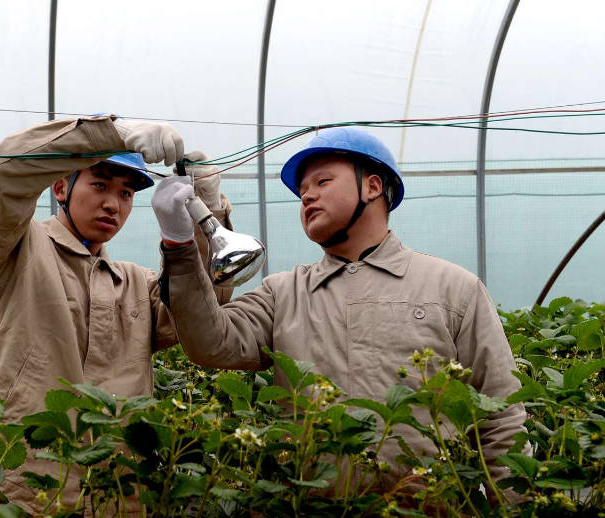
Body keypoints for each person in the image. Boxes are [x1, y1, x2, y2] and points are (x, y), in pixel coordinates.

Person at [152, 127, 527, 492]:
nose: (307, 197)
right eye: (302, 191)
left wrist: (513, 503)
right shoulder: (284, 294)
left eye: (322, 182)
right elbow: (210, 342)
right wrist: (182, 244)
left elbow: (501, 415)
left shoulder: (452, 289)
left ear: (373, 186)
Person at [0, 114, 232, 514]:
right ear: (60, 186)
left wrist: (204, 213)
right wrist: (111, 133)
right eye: (100, 184)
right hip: (20, 487)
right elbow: (0, 174)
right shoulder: (16, 247)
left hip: (114, 492)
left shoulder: (135, 284)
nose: (113, 203)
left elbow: (205, 308)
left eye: (127, 194)